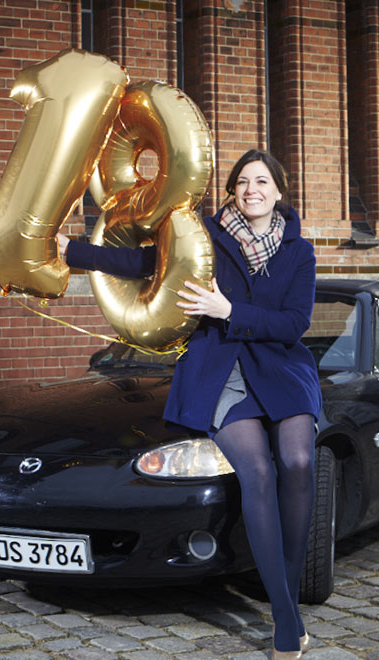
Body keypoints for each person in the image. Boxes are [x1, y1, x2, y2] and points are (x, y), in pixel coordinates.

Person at [58, 149, 322, 659]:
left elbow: (294, 324)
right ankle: (287, 619)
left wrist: (228, 309)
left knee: (298, 459)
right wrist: (74, 252)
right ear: (232, 190)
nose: (252, 190)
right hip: (221, 370)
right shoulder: (207, 236)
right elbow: (145, 262)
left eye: (262, 182)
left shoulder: (300, 252)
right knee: (259, 473)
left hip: (282, 371)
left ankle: (284, 596)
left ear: (279, 192)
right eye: (243, 182)